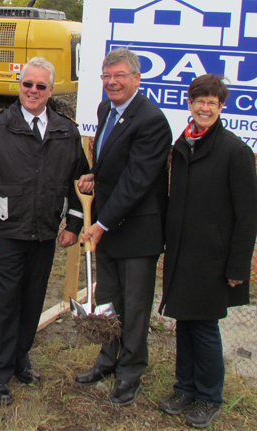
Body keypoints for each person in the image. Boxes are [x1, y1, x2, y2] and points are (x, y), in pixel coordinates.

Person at [0, 57, 89, 406]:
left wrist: (74, 224)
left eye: (40, 86)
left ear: (50, 90)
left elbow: (79, 183)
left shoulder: (66, 130)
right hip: (5, 235)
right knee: (4, 306)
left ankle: (20, 359)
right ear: (19, 86)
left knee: (31, 304)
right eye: (27, 84)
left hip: (45, 234)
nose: (32, 91)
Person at [157, 74, 257, 428]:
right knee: (183, 324)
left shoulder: (235, 151)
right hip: (182, 252)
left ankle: (209, 396)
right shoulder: (184, 144)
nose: (204, 107)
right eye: (199, 101)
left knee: (204, 328)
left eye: (212, 103)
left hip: (212, 259)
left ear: (221, 107)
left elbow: (247, 217)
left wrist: (237, 267)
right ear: (190, 102)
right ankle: (184, 388)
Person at [75, 48, 172, 405]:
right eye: (106, 76)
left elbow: (136, 180)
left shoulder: (151, 120)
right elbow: (113, 165)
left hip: (137, 231)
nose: (112, 82)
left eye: (119, 76)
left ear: (136, 78)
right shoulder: (106, 110)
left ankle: (130, 372)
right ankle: (107, 360)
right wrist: (94, 177)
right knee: (109, 302)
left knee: (133, 306)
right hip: (110, 225)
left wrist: (100, 223)